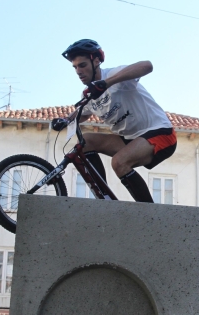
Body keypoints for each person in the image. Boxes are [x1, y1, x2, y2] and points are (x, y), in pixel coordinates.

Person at [53, 39, 177, 204]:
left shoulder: (113, 75)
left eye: (82, 65)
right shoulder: (88, 94)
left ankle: (150, 212)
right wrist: (65, 120)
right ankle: (104, 198)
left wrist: (106, 84)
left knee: (119, 162)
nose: (78, 71)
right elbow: (82, 114)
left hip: (160, 133)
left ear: (96, 61)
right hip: (129, 139)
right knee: (86, 141)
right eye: (75, 67)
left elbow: (147, 66)